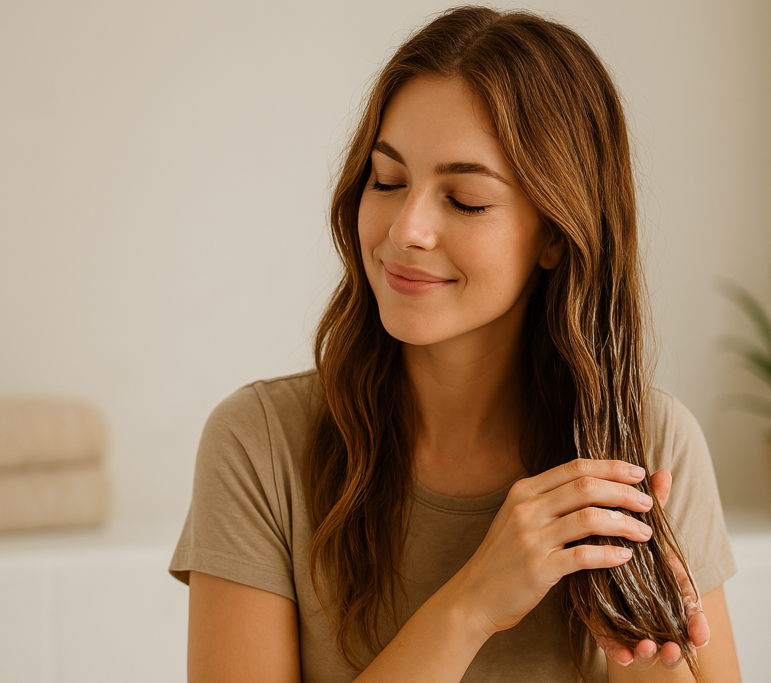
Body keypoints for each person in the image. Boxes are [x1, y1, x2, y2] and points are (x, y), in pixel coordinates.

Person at [169, 6, 740, 682]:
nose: (406, 227)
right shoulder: (260, 444)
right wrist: (473, 602)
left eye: (465, 198)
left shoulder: (650, 445)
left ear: (556, 234)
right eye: (387, 180)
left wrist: (645, 649)